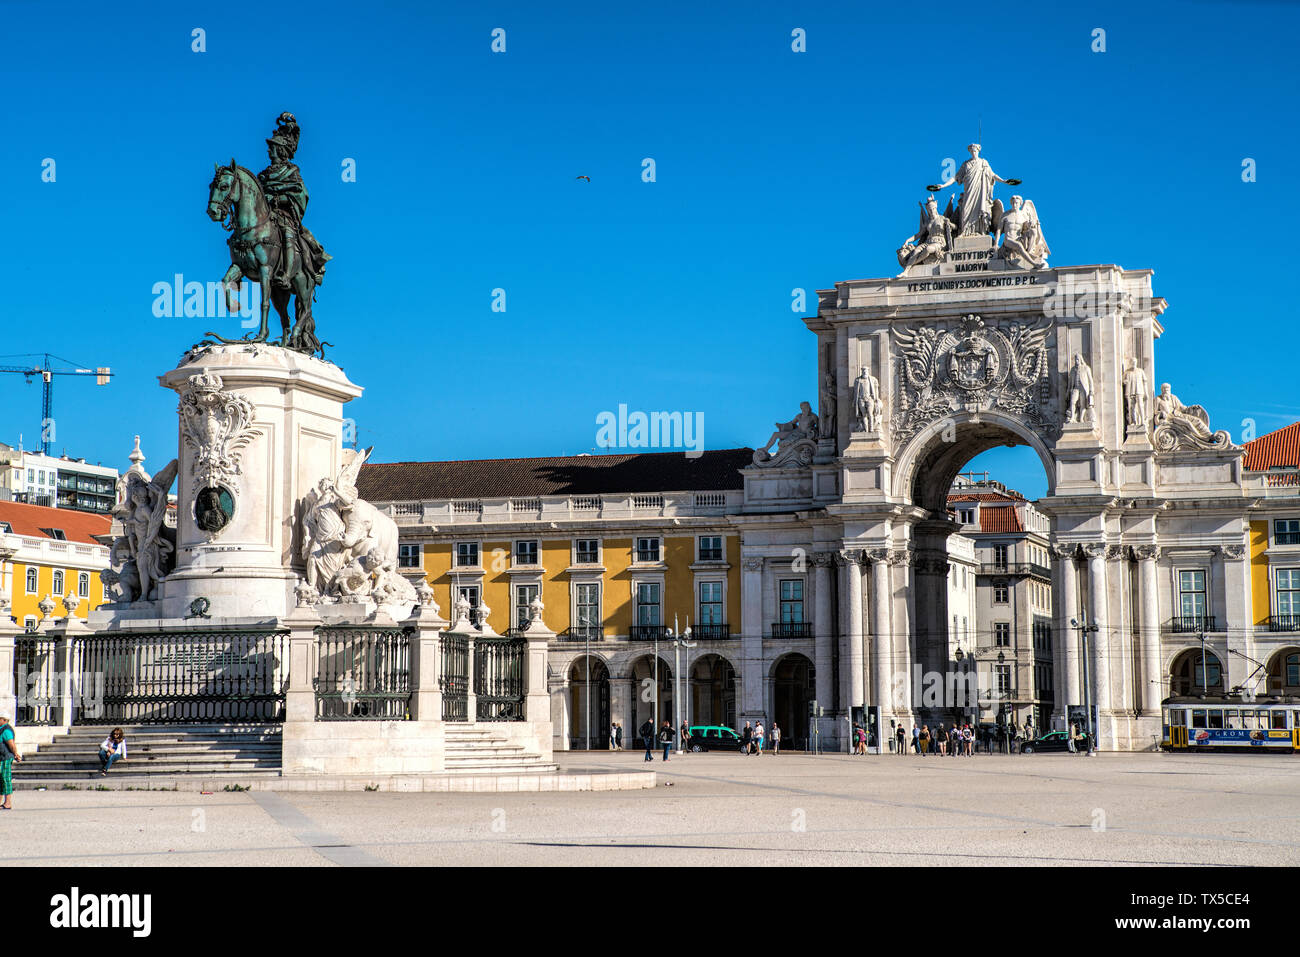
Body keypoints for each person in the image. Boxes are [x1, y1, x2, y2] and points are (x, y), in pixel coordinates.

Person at [0, 716, 21, 809]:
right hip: (1, 757)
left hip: (5, 757)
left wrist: (16, 754)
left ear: (4, 720)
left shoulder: (6, 730)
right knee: (1, 779)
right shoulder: (2, 729)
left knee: (5, 779)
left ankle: (7, 802)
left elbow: (11, 744)